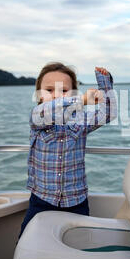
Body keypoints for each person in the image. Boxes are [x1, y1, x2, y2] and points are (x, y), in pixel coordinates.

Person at [18, 62, 117, 238]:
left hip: (76, 201)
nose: (56, 95)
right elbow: (49, 112)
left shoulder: (80, 120)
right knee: (27, 242)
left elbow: (108, 114)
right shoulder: (36, 116)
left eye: (64, 91)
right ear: (39, 95)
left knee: (78, 247)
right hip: (41, 200)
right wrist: (82, 100)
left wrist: (105, 84)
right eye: (49, 90)